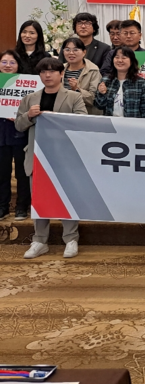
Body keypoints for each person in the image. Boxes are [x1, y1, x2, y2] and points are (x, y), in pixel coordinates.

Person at [16, 57, 87, 259]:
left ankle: (71, 239)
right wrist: (29, 116)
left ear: (61, 73)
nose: (47, 75)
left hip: (65, 157)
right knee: (39, 199)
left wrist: (57, 118)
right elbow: (18, 125)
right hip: (37, 156)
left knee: (68, 198)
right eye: (43, 72)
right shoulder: (30, 98)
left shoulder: (73, 97)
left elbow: (82, 122)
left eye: (52, 71)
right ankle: (39, 240)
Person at [0, 50, 30, 221]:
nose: (8, 66)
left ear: (18, 65)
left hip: (20, 133)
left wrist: (20, 115)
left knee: (22, 173)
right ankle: (2, 206)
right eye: (4, 62)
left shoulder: (27, 84)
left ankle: (21, 206)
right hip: (1, 133)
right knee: (2, 172)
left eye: (12, 62)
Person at [95, 47, 145, 119]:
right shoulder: (106, 80)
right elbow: (99, 106)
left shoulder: (140, 82)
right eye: (117, 57)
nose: (120, 60)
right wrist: (102, 94)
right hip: (111, 123)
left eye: (124, 58)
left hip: (132, 123)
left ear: (132, 61)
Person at [61, 37, 102, 115]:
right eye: (67, 50)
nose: (71, 53)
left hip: (85, 115)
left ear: (84, 52)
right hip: (63, 114)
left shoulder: (93, 70)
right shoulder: (59, 69)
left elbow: (94, 99)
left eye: (76, 50)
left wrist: (77, 89)